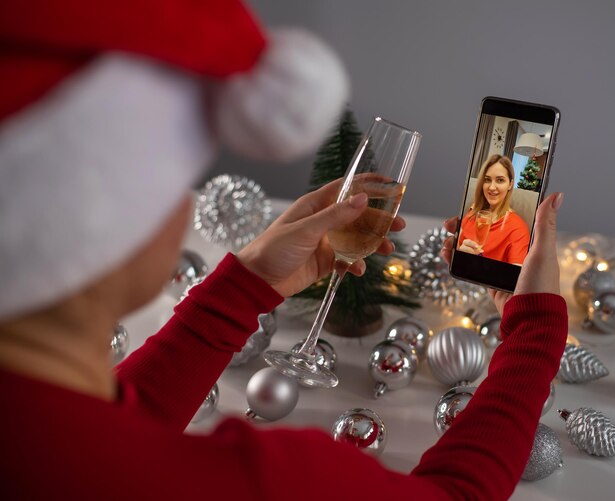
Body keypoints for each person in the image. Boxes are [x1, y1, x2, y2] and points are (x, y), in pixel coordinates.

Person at [0, 1, 568, 499]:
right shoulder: (256, 481)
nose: (182, 209)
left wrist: (243, 286)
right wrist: (537, 329)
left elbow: (118, 425)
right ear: (103, 228)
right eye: (174, 183)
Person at [458, 154, 531, 265]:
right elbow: (456, 245)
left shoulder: (518, 229)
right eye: (487, 180)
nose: (492, 187)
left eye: (500, 180)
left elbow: (516, 278)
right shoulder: (473, 212)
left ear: (510, 184)